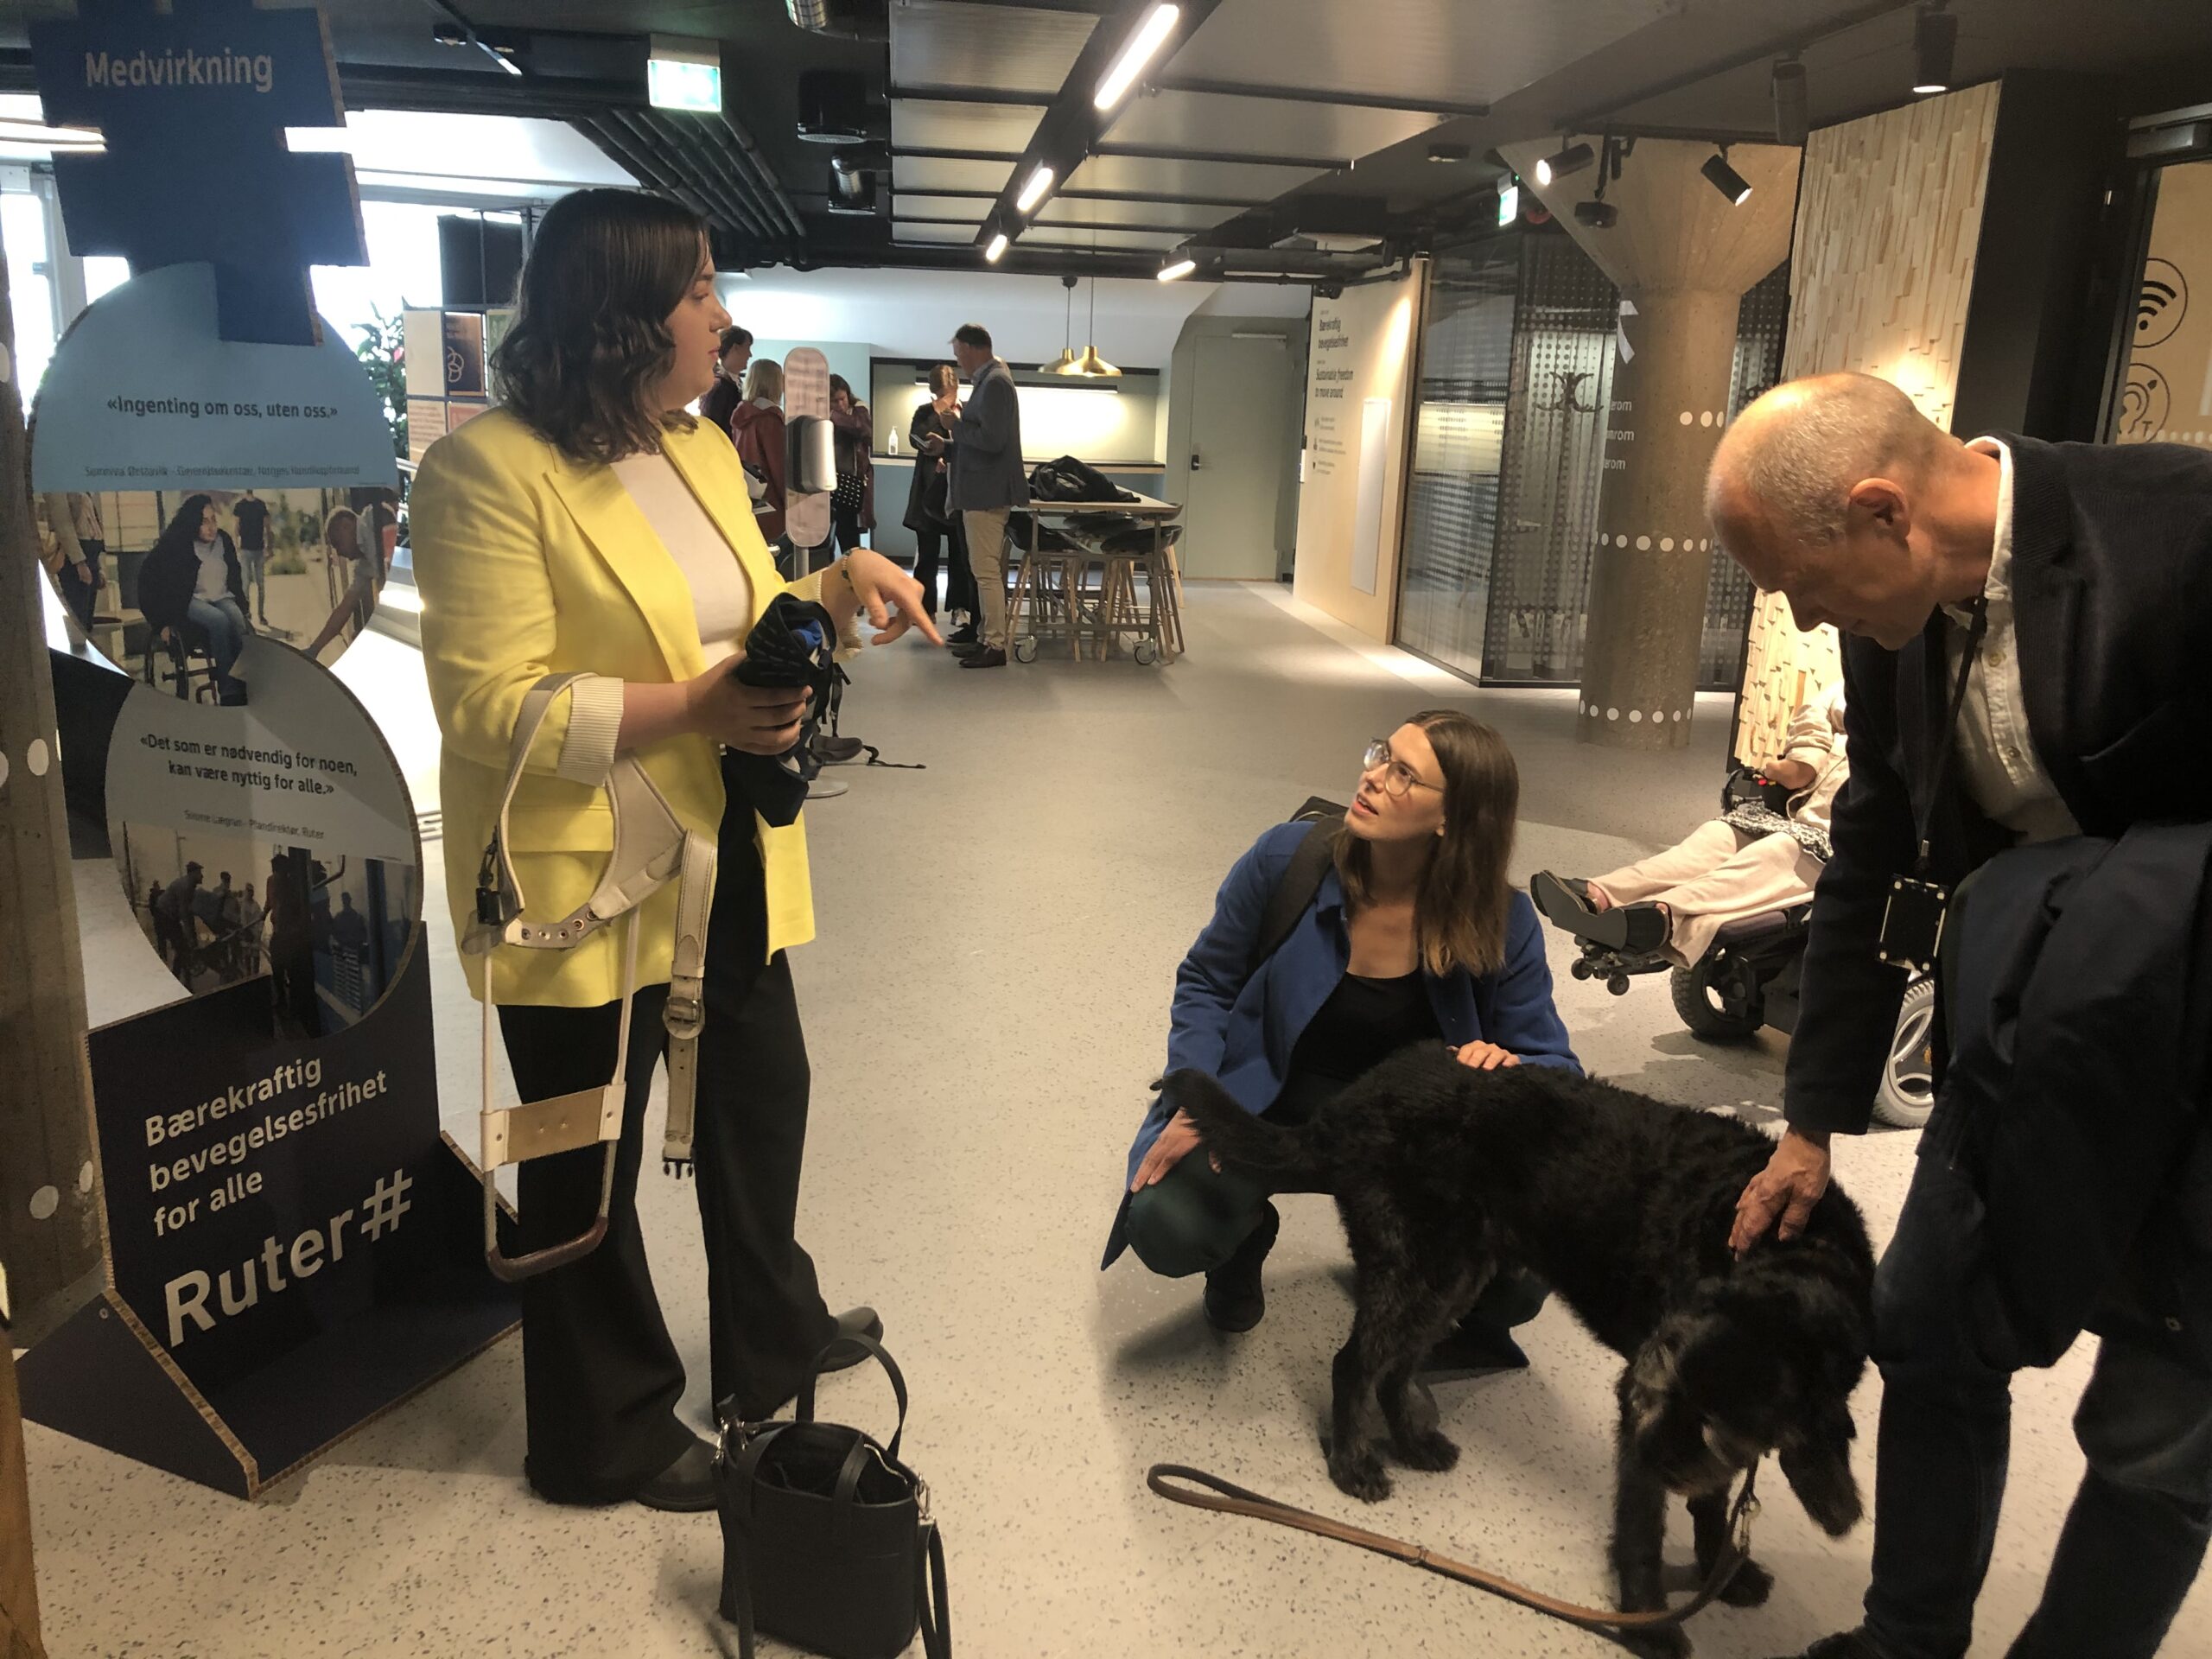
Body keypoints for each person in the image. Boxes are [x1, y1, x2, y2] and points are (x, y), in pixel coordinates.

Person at [410, 187, 939, 1514]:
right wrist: (701, 707)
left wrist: (829, 585)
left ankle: (771, 1337)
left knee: (766, 1092)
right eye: (701, 288)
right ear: (625, 315)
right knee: (574, 1149)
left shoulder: (696, 448)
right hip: (575, 880)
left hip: (727, 839)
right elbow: (489, 706)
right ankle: (607, 1430)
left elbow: (736, 599)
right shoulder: (486, 473)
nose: (723, 313)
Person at [1707, 371, 2212, 1659]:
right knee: (1926, 1324)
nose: (1802, 615)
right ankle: (1907, 1640)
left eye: (1801, 583)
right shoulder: (1901, 628)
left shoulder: (2183, 528)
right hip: (2025, 1038)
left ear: (1886, 511)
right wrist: (1811, 1124)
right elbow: (1869, 860)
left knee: (2160, 1432)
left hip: (2204, 1066)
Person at [1103, 713, 1581, 1357]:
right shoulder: (1287, 860)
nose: (1373, 776)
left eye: (1403, 774)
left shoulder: (1503, 921)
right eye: (1384, 755)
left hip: (1407, 1141)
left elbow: (1555, 1066)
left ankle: (1409, 1274)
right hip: (1269, 1108)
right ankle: (1242, 1243)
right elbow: (1206, 984)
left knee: (1516, 1284)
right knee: (1167, 1224)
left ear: (1454, 818)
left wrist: (1509, 1069)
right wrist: (1201, 1096)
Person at [1534, 678, 1848, 967]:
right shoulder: (1856, 681)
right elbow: (1819, 709)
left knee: (1778, 852)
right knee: (1718, 835)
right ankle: (1599, 894)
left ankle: (1660, 914)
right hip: (1792, 816)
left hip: (1838, 839)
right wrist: (1806, 757)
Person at [941, 322, 1027, 670]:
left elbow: (991, 441)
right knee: (983, 571)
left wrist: (955, 426)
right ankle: (984, 637)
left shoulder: (995, 384)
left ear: (975, 349)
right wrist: (948, 442)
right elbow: (982, 437)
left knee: (987, 572)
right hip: (981, 489)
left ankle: (995, 644)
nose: (959, 362)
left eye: (960, 354)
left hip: (985, 492)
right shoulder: (991, 382)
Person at [137, 494, 251, 704]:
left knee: (237, 620)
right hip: (189, 600)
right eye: (204, 522)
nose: (211, 527)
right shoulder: (176, 544)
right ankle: (229, 691)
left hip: (221, 596)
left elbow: (234, 577)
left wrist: (243, 605)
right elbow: (148, 581)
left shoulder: (223, 541)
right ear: (192, 523)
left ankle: (245, 682)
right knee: (219, 621)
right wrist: (161, 623)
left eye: (213, 520)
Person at [905, 365, 980, 645]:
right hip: (929, 492)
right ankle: (924, 609)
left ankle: (960, 608)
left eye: (949, 393)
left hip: (958, 490)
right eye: (940, 394)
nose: (947, 398)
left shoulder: (969, 410)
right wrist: (938, 409)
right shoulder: (924, 412)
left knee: (961, 554)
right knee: (927, 554)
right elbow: (917, 439)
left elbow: (971, 443)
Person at [729, 357, 788, 545]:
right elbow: (779, 468)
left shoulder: (741, 417)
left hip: (747, 498)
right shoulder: (770, 420)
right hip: (772, 504)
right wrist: (793, 503)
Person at [825, 373, 875, 557]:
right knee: (826, 542)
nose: (840, 405)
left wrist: (832, 415)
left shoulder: (859, 411)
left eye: (842, 399)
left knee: (851, 543)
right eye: (834, 401)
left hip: (850, 485)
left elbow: (862, 428)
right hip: (828, 485)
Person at [41, 492, 105, 631]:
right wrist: (79, 562)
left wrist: (98, 566)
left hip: (92, 553)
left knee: (87, 619)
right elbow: (63, 525)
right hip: (74, 556)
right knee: (78, 617)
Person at [700, 325, 752, 436]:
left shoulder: (734, 383)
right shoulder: (718, 387)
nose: (750, 354)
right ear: (735, 348)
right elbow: (712, 428)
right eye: (747, 348)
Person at [232, 489, 271, 624]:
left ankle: (261, 615)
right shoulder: (240, 506)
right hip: (245, 549)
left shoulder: (260, 505)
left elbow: (267, 527)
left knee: (260, 584)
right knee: (245, 584)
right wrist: (236, 546)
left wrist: (268, 547)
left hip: (259, 549)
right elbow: (236, 528)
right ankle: (246, 614)